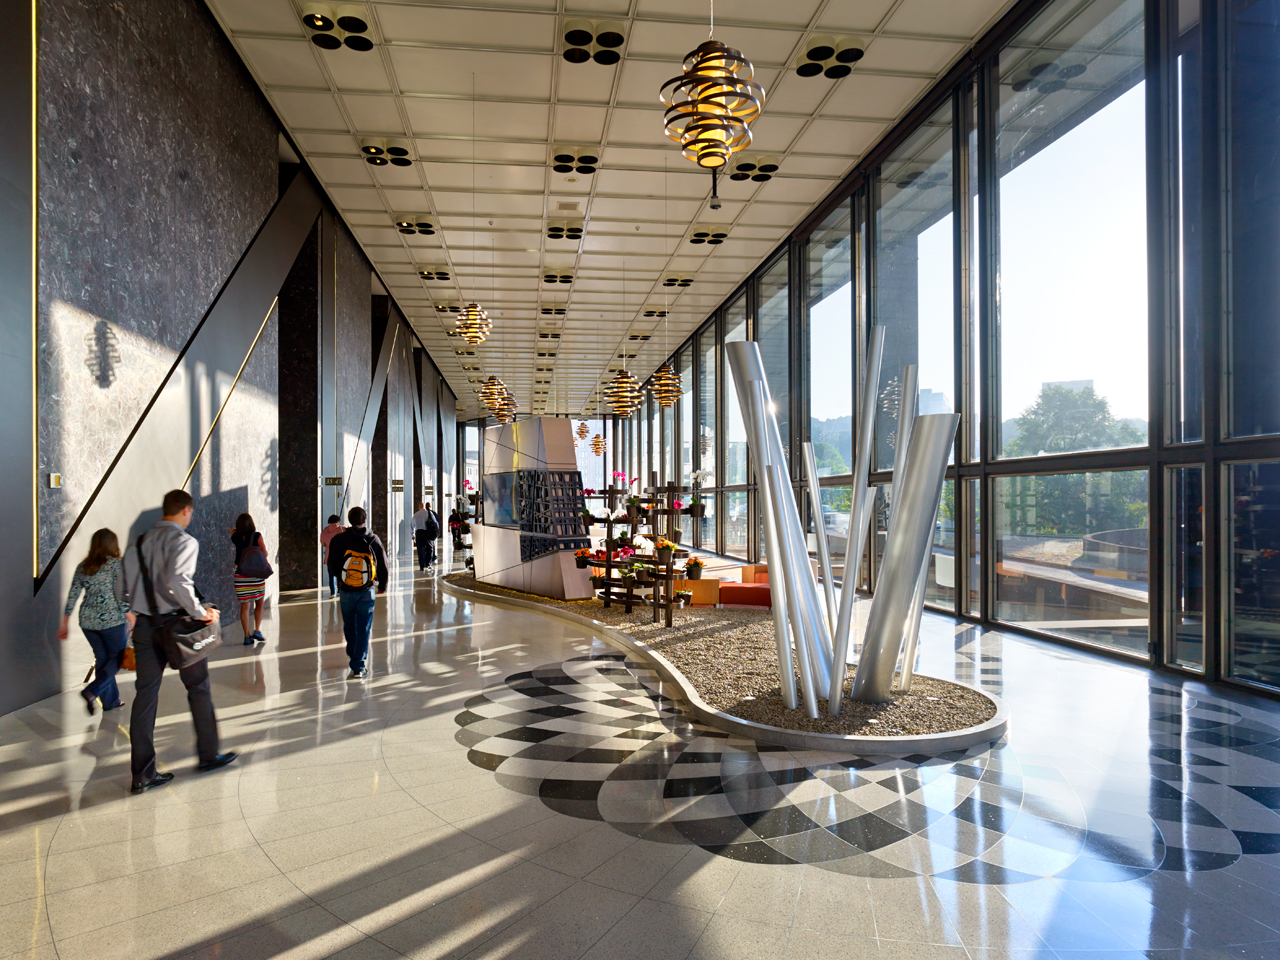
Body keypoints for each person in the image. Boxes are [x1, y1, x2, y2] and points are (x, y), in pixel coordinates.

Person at [123, 489, 235, 794]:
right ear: (186, 510)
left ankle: (142, 774)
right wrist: (203, 612)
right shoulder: (184, 541)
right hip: (179, 627)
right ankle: (208, 755)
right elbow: (178, 581)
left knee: (145, 696)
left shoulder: (138, 544)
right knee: (198, 687)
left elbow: (123, 587)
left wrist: (136, 609)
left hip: (146, 627)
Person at [59, 528, 135, 715]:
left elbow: (72, 596)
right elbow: (120, 594)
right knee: (116, 659)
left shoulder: (84, 566)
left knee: (102, 660)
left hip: (87, 622)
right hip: (112, 621)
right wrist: (129, 614)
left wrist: (65, 622)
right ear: (113, 545)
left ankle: (110, 701)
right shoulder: (116, 564)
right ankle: (91, 691)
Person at [326, 506, 388, 680]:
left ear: (350, 520)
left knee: (349, 624)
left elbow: (332, 565)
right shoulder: (373, 539)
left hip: (346, 590)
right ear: (365, 520)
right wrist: (382, 585)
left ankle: (353, 651)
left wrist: (343, 578)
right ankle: (359, 666)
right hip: (366, 591)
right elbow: (383, 564)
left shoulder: (339, 539)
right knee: (364, 627)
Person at [229, 513, 269, 645]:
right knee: (259, 603)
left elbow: (238, 535)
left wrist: (236, 531)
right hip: (256, 575)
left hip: (241, 575)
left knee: (245, 607)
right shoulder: (257, 535)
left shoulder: (235, 537)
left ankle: (247, 636)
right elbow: (265, 553)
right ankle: (257, 630)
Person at [320, 514, 344, 598]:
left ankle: (332, 593)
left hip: (329, 555)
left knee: (331, 575)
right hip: (340, 555)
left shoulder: (324, 531)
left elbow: (323, 543)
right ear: (338, 521)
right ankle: (340, 591)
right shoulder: (342, 529)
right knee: (340, 575)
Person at [410, 502, 439, 573]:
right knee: (430, 548)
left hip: (419, 533)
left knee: (420, 550)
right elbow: (435, 523)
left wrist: (413, 535)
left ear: (419, 507)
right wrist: (436, 532)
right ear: (424, 507)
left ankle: (421, 566)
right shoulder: (429, 513)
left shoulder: (415, 515)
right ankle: (428, 563)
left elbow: (412, 526)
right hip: (427, 533)